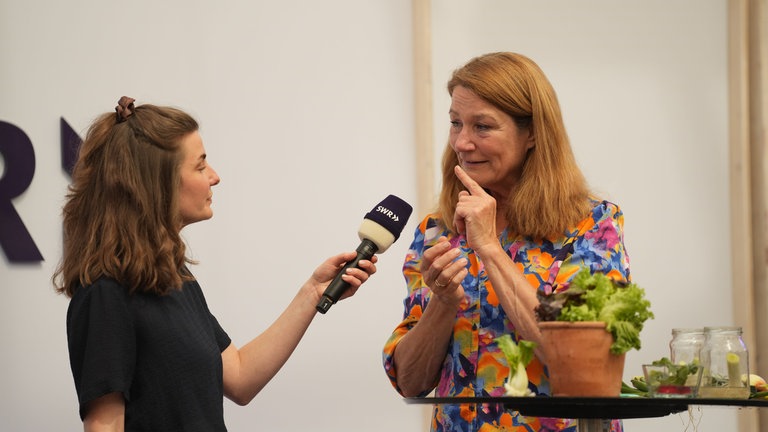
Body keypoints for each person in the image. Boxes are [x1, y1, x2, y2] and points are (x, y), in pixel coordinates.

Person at [53, 97, 377, 432]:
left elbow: (239, 376)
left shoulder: (176, 278)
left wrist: (313, 293)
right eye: (199, 166)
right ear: (157, 183)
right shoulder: (105, 295)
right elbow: (104, 426)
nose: (215, 176)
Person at [382, 52, 630, 431]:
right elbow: (412, 381)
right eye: (455, 123)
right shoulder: (437, 229)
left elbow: (577, 361)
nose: (462, 143)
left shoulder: (592, 226)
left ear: (532, 133)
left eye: (482, 127)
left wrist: (490, 250)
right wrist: (444, 303)